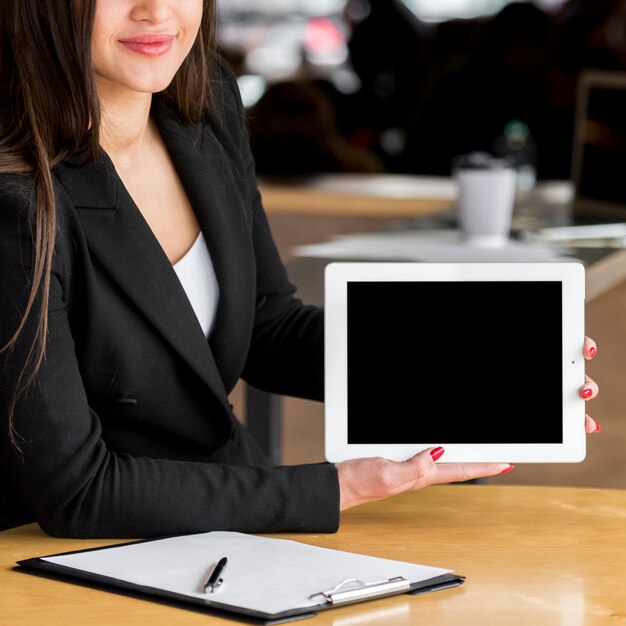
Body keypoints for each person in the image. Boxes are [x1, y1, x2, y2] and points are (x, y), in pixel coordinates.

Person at [0, 0, 600, 539]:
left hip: (227, 520)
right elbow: (77, 490)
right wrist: (345, 486)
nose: (156, 11)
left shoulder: (205, 99)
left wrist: (474, 367)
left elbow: (265, 321)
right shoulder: (16, 194)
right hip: (77, 557)